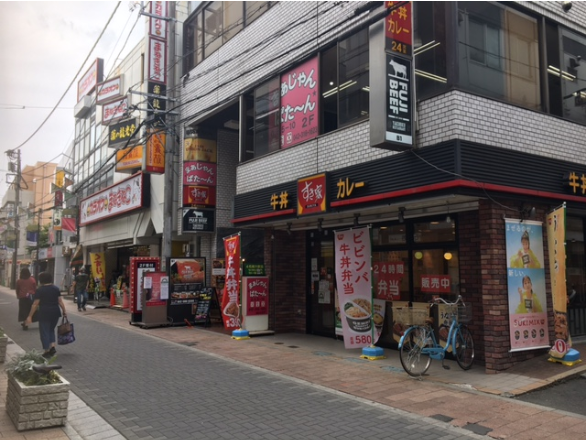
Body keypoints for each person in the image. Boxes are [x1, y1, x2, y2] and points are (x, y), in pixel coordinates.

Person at [25, 272, 67, 358]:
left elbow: (35, 304)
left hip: (44, 313)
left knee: (44, 332)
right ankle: (52, 346)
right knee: (51, 330)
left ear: (41, 280)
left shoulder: (40, 290)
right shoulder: (56, 288)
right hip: (55, 312)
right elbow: (60, 301)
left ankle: (46, 350)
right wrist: (64, 311)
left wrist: (30, 316)